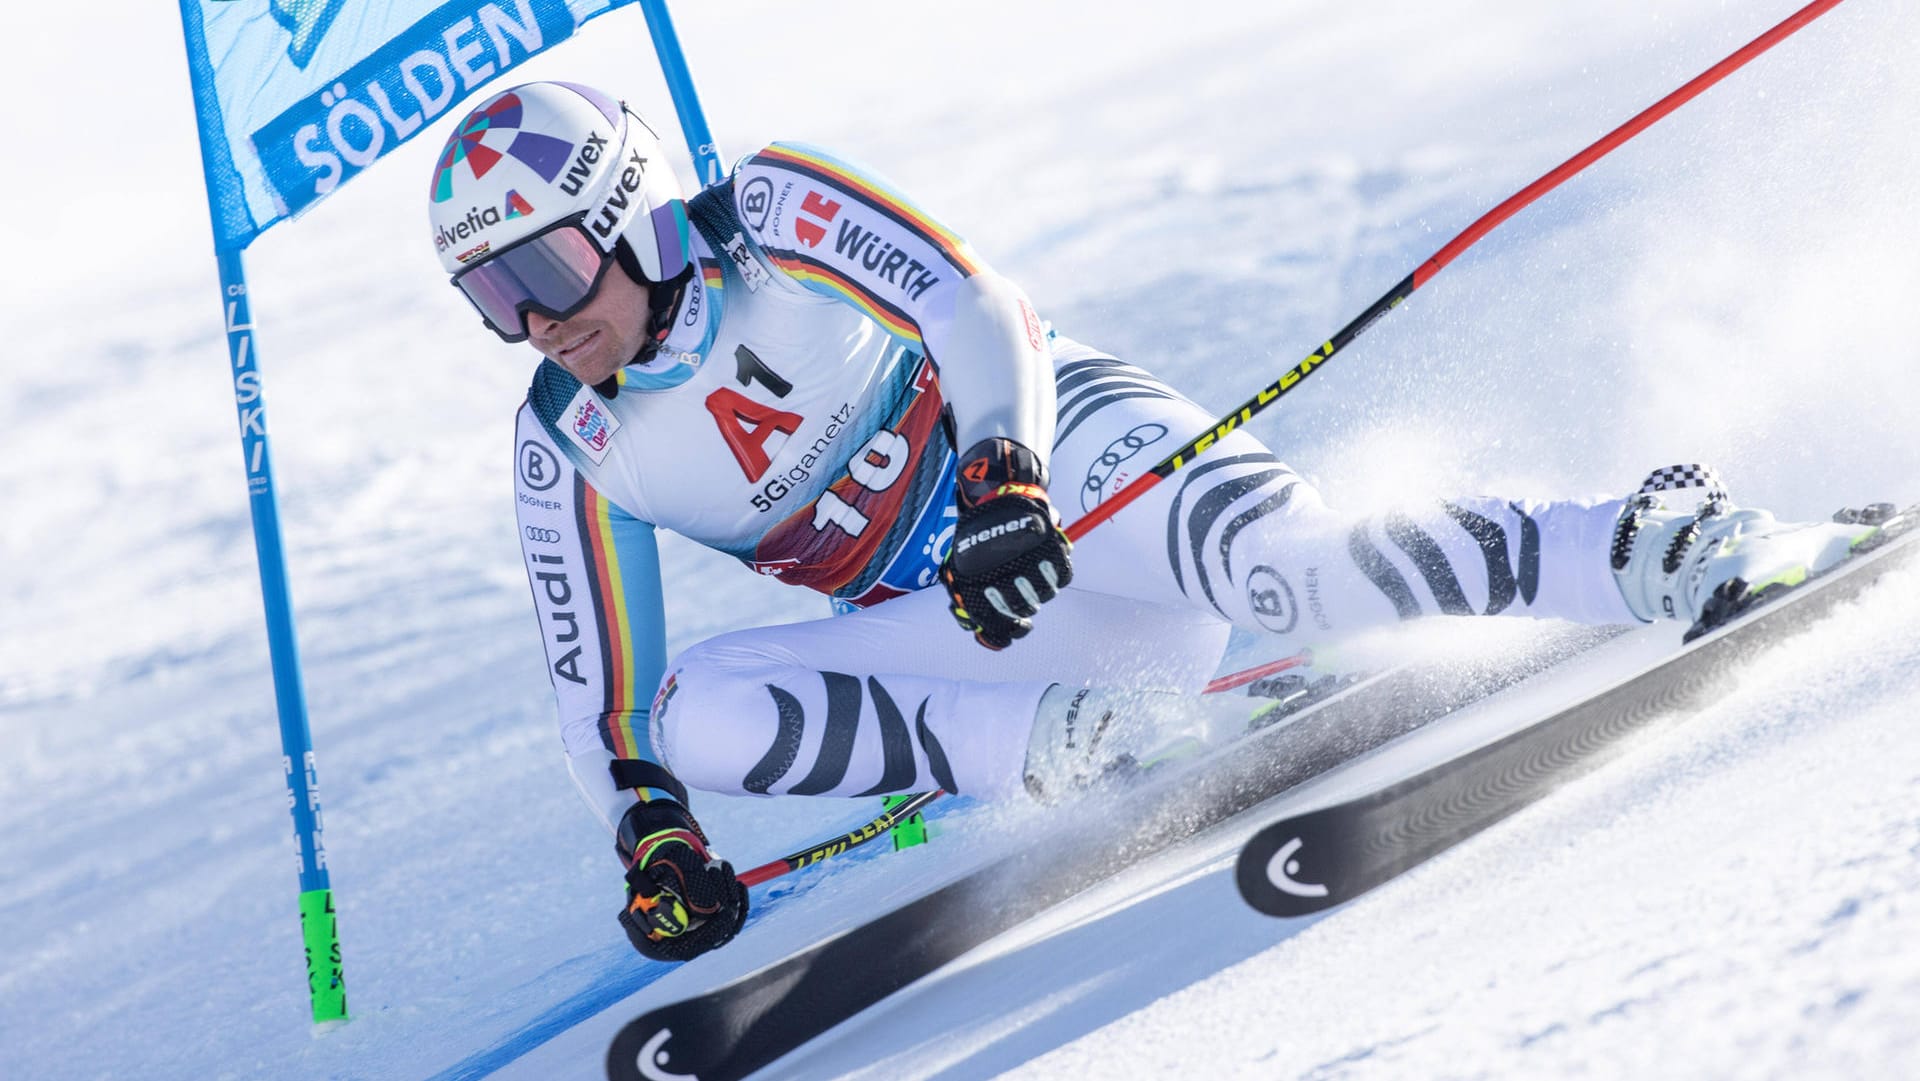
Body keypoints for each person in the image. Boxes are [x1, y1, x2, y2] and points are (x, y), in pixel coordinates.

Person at [427, 81, 1890, 963]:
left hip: (1076, 479)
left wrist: (1003, 468)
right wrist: (653, 838)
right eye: (494, 301)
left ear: (619, 208)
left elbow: (969, 300)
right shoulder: (567, 442)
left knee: (1294, 568)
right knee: (691, 718)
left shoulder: (764, 210)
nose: (538, 325)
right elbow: (602, 701)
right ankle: (1094, 751)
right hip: (992, 635)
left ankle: (1647, 546)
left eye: (547, 270)